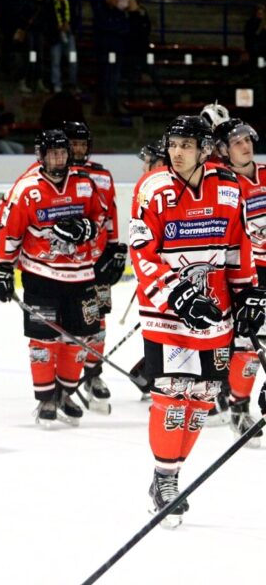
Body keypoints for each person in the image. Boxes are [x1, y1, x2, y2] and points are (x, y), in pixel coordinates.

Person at [128, 115, 260, 527]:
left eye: (187, 144)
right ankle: (164, 479)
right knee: (172, 396)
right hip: (166, 315)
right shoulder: (152, 188)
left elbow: (239, 247)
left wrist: (249, 293)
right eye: (174, 144)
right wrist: (176, 291)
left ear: (205, 149)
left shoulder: (229, 187)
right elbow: (141, 251)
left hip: (215, 315)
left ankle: (172, 473)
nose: (178, 151)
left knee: (201, 401)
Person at [0, 129, 107, 426]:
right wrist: (2, 267)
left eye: (62, 152)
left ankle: (65, 393)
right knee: (44, 339)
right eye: (52, 153)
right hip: (41, 276)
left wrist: (87, 230)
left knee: (78, 339)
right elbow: (10, 231)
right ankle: (45, 400)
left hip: (81, 275)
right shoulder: (28, 189)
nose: (58, 158)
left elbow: (100, 218)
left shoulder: (84, 184)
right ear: (41, 156)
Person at [64, 120, 127, 413]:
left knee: (98, 318)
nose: (77, 149)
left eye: (81, 144)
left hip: (97, 257)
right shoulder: (51, 175)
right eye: (72, 143)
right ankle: (62, 377)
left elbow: (111, 211)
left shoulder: (101, 175)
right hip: (63, 261)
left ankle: (92, 374)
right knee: (65, 321)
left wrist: (115, 247)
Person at [213, 117, 266, 446]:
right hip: (248, 273)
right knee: (248, 345)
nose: (246, 146)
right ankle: (237, 404)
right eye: (237, 142)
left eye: (248, 140)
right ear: (223, 151)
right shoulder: (224, 185)